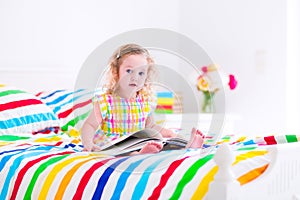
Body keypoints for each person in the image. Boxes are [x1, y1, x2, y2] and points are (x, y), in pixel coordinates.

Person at [81, 43, 205, 154]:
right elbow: (90, 125)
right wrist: (88, 143)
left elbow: (150, 126)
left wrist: (171, 134)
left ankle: (187, 145)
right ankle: (140, 155)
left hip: (137, 141)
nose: (135, 77)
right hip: (115, 144)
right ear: (116, 72)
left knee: (161, 141)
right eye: (129, 71)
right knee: (124, 152)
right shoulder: (105, 102)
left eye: (141, 73)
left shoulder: (144, 102)